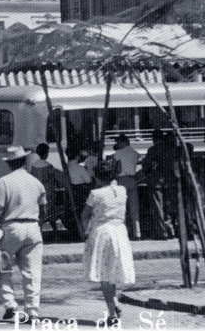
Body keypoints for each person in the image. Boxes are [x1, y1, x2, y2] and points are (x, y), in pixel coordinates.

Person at [0, 146, 47, 320]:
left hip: (11, 228)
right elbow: (44, 208)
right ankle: (33, 311)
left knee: (1, 269)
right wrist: (38, 225)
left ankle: (10, 304)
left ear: (10, 163)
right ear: (24, 161)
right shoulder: (36, 182)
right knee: (33, 273)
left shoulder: (4, 182)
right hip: (33, 228)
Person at [82, 159, 135, 325]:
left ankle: (112, 314)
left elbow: (85, 215)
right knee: (112, 272)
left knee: (104, 276)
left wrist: (85, 231)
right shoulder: (121, 190)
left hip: (102, 233)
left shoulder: (95, 194)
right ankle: (115, 304)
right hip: (119, 231)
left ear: (98, 178)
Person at [109, 134, 141, 239]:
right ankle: (137, 233)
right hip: (133, 179)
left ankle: (124, 232)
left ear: (123, 142)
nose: (116, 144)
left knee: (122, 207)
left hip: (121, 180)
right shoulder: (135, 153)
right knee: (134, 207)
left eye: (118, 142)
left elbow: (113, 168)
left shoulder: (118, 153)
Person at [29, 143, 61, 236]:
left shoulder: (33, 165)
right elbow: (52, 178)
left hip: (37, 191)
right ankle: (55, 233)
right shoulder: (48, 165)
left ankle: (39, 232)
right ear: (46, 153)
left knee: (40, 212)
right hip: (48, 190)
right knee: (50, 212)